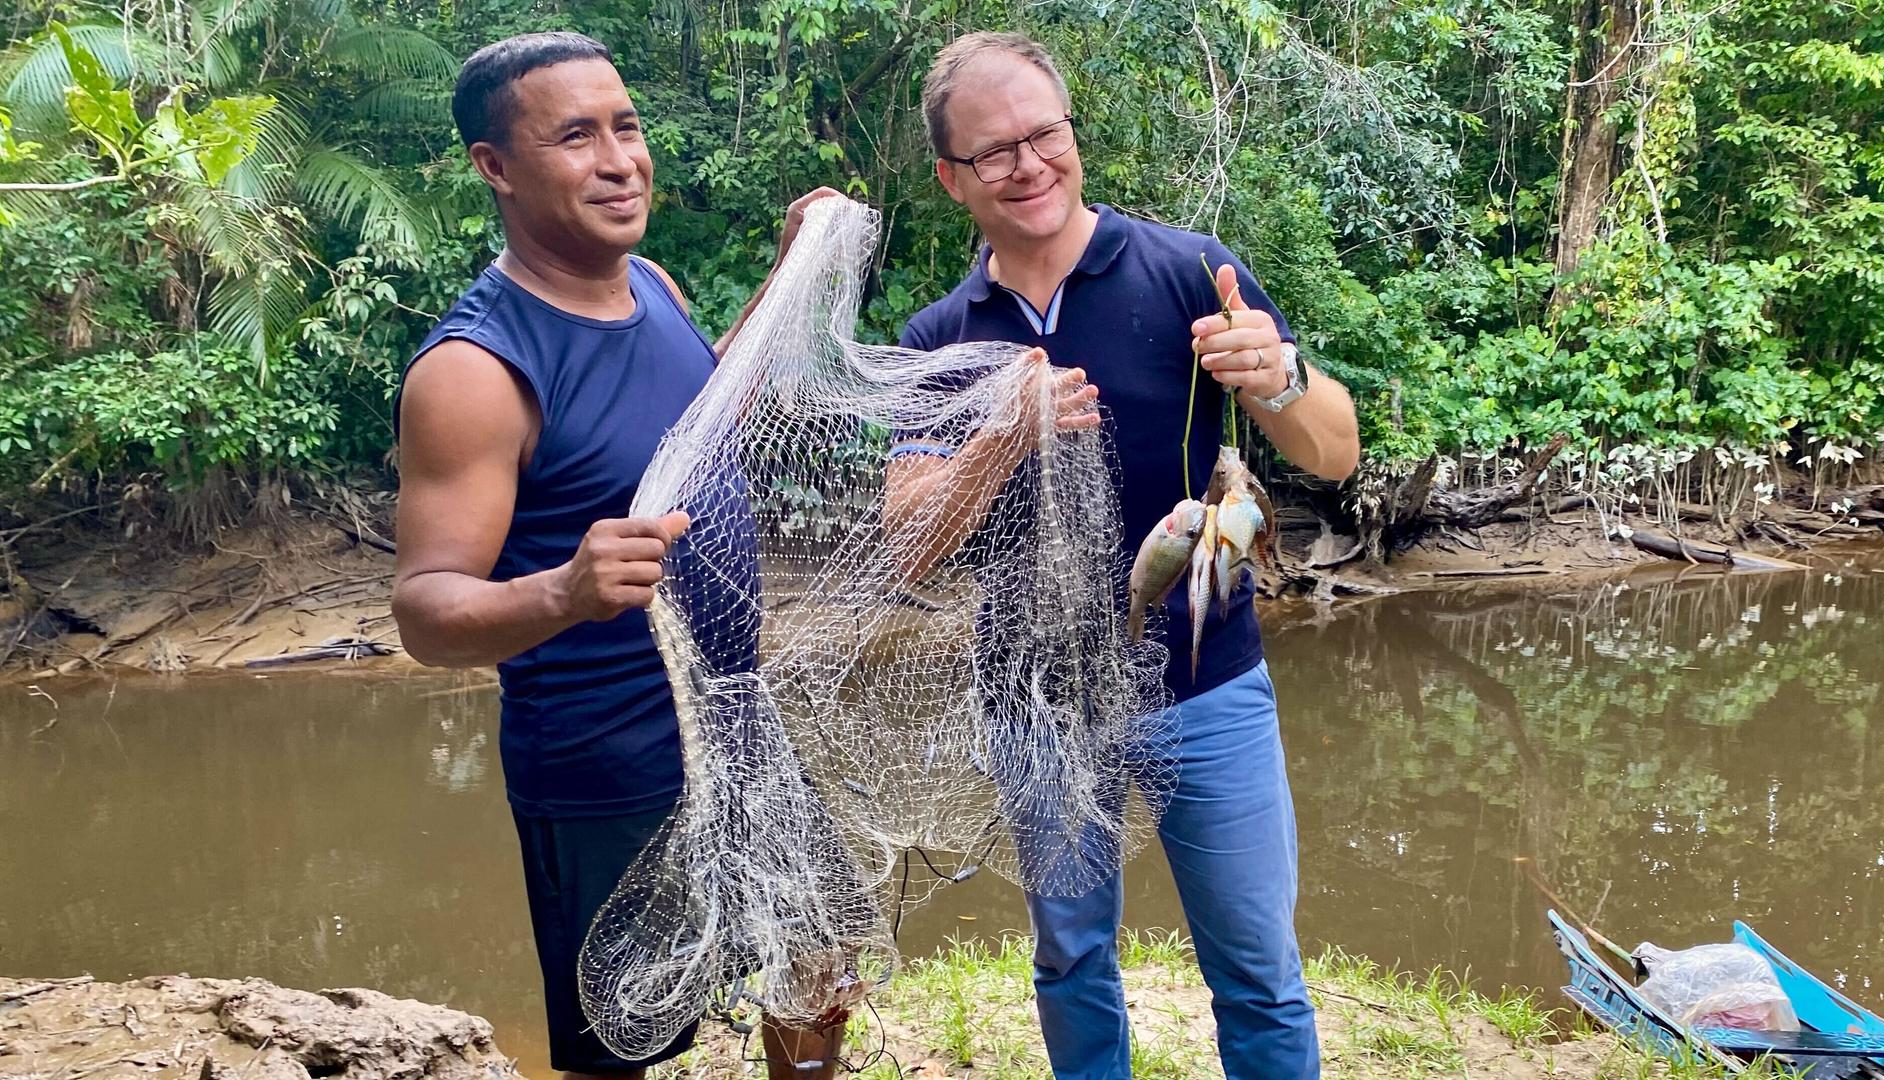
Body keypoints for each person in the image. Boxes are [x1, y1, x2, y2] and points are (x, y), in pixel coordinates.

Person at [885, 31, 1361, 1080]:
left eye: (1044, 133)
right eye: (992, 151)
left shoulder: (1192, 270)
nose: (1028, 164)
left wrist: (1276, 378)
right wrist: (1000, 435)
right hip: (1034, 700)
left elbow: (1335, 450)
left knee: (1258, 967)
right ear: (950, 179)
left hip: (1208, 683)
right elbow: (908, 547)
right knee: (1071, 958)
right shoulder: (937, 342)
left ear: (1071, 131)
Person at [389, 31, 842, 1080]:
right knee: (625, 1042)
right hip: (604, 769)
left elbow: (698, 414)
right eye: (576, 136)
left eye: (626, 127)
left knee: (813, 963)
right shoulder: (474, 370)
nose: (619, 159)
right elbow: (423, 610)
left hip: (736, 723)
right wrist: (562, 588)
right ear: (495, 168)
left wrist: (786, 276)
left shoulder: (658, 289)